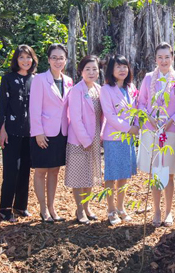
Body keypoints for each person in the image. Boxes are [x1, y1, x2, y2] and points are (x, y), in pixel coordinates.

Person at [137, 42, 175, 227]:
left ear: (173, 58)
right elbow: (141, 103)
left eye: (167, 57)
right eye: (160, 57)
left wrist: (170, 121)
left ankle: (168, 211)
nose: (164, 60)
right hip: (152, 131)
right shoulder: (149, 78)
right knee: (154, 173)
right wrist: (150, 119)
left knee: (168, 173)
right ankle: (156, 211)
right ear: (155, 59)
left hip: (171, 131)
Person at [29, 43, 73, 223]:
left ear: (66, 60)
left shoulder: (69, 81)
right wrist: (38, 132)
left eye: (61, 57)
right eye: (54, 57)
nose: (57, 61)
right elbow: (34, 108)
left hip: (62, 132)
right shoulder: (39, 79)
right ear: (48, 60)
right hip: (44, 133)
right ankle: (42, 209)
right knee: (41, 171)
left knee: (54, 171)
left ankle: (52, 207)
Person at [0, 45, 37, 222]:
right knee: (11, 171)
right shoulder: (8, 79)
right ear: (16, 60)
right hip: (11, 131)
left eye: (28, 58)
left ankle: (20, 206)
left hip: (30, 132)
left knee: (25, 171)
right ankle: (5, 208)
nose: (25, 61)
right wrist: (2, 130)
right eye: (21, 57)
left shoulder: (36, 80)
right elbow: (3, 106)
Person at [100, 54, 139, 225]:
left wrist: (137, 126)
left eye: (125, 66)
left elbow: (137, 110)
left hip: (129, 138)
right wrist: (129, 128)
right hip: (114, 137)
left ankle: (121, 207)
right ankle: (110, 209)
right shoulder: (106, 89)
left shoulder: (131, 88)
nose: (122, 70)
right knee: (111, 174)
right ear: (111, 70)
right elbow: (110, 115)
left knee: (124, 173)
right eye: (118, 66)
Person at [65, 55, 104, 224]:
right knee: (78, 176)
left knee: (90, 175)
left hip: (95, 138)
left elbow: (103, 116)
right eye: (87, 69)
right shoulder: (76, 90)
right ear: (81, 71)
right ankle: (79, 209)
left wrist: (99, 137)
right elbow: (75, 118)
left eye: (94, 69)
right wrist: (86, 140)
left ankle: (87, 207)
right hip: (79, 140)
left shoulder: (98, 89)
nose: (91, 72)